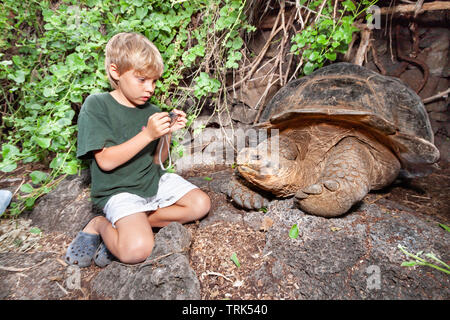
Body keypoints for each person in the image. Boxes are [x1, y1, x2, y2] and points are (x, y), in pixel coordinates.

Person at [65, 32, 211, 268]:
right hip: (119, 190)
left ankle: (135, 223)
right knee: (137, 251)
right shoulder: (97, 105)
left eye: (154, 81)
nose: (150, 88)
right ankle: (100, 224)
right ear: (116, 72)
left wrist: (167, 132)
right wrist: (147, 134)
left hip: (151, 181)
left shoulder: (151, 109)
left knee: (201, 204)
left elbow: (157, 161)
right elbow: (106, 162)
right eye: (142, 80)